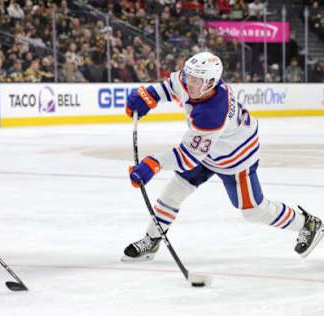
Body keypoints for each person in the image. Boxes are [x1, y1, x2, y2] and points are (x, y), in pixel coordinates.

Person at [123, 51, 323, 261]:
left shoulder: (213, 112)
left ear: (210, 82)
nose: (189, 83)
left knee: (253, 210)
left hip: (235, 158)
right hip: (207, 150)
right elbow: (169, 86)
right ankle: (152, 239)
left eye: (196, 81)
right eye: (188, 77)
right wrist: (148, 95)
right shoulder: (190, 80)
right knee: (173, 191)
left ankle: (307, 224)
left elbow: (187, 157)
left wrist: (153, 164)